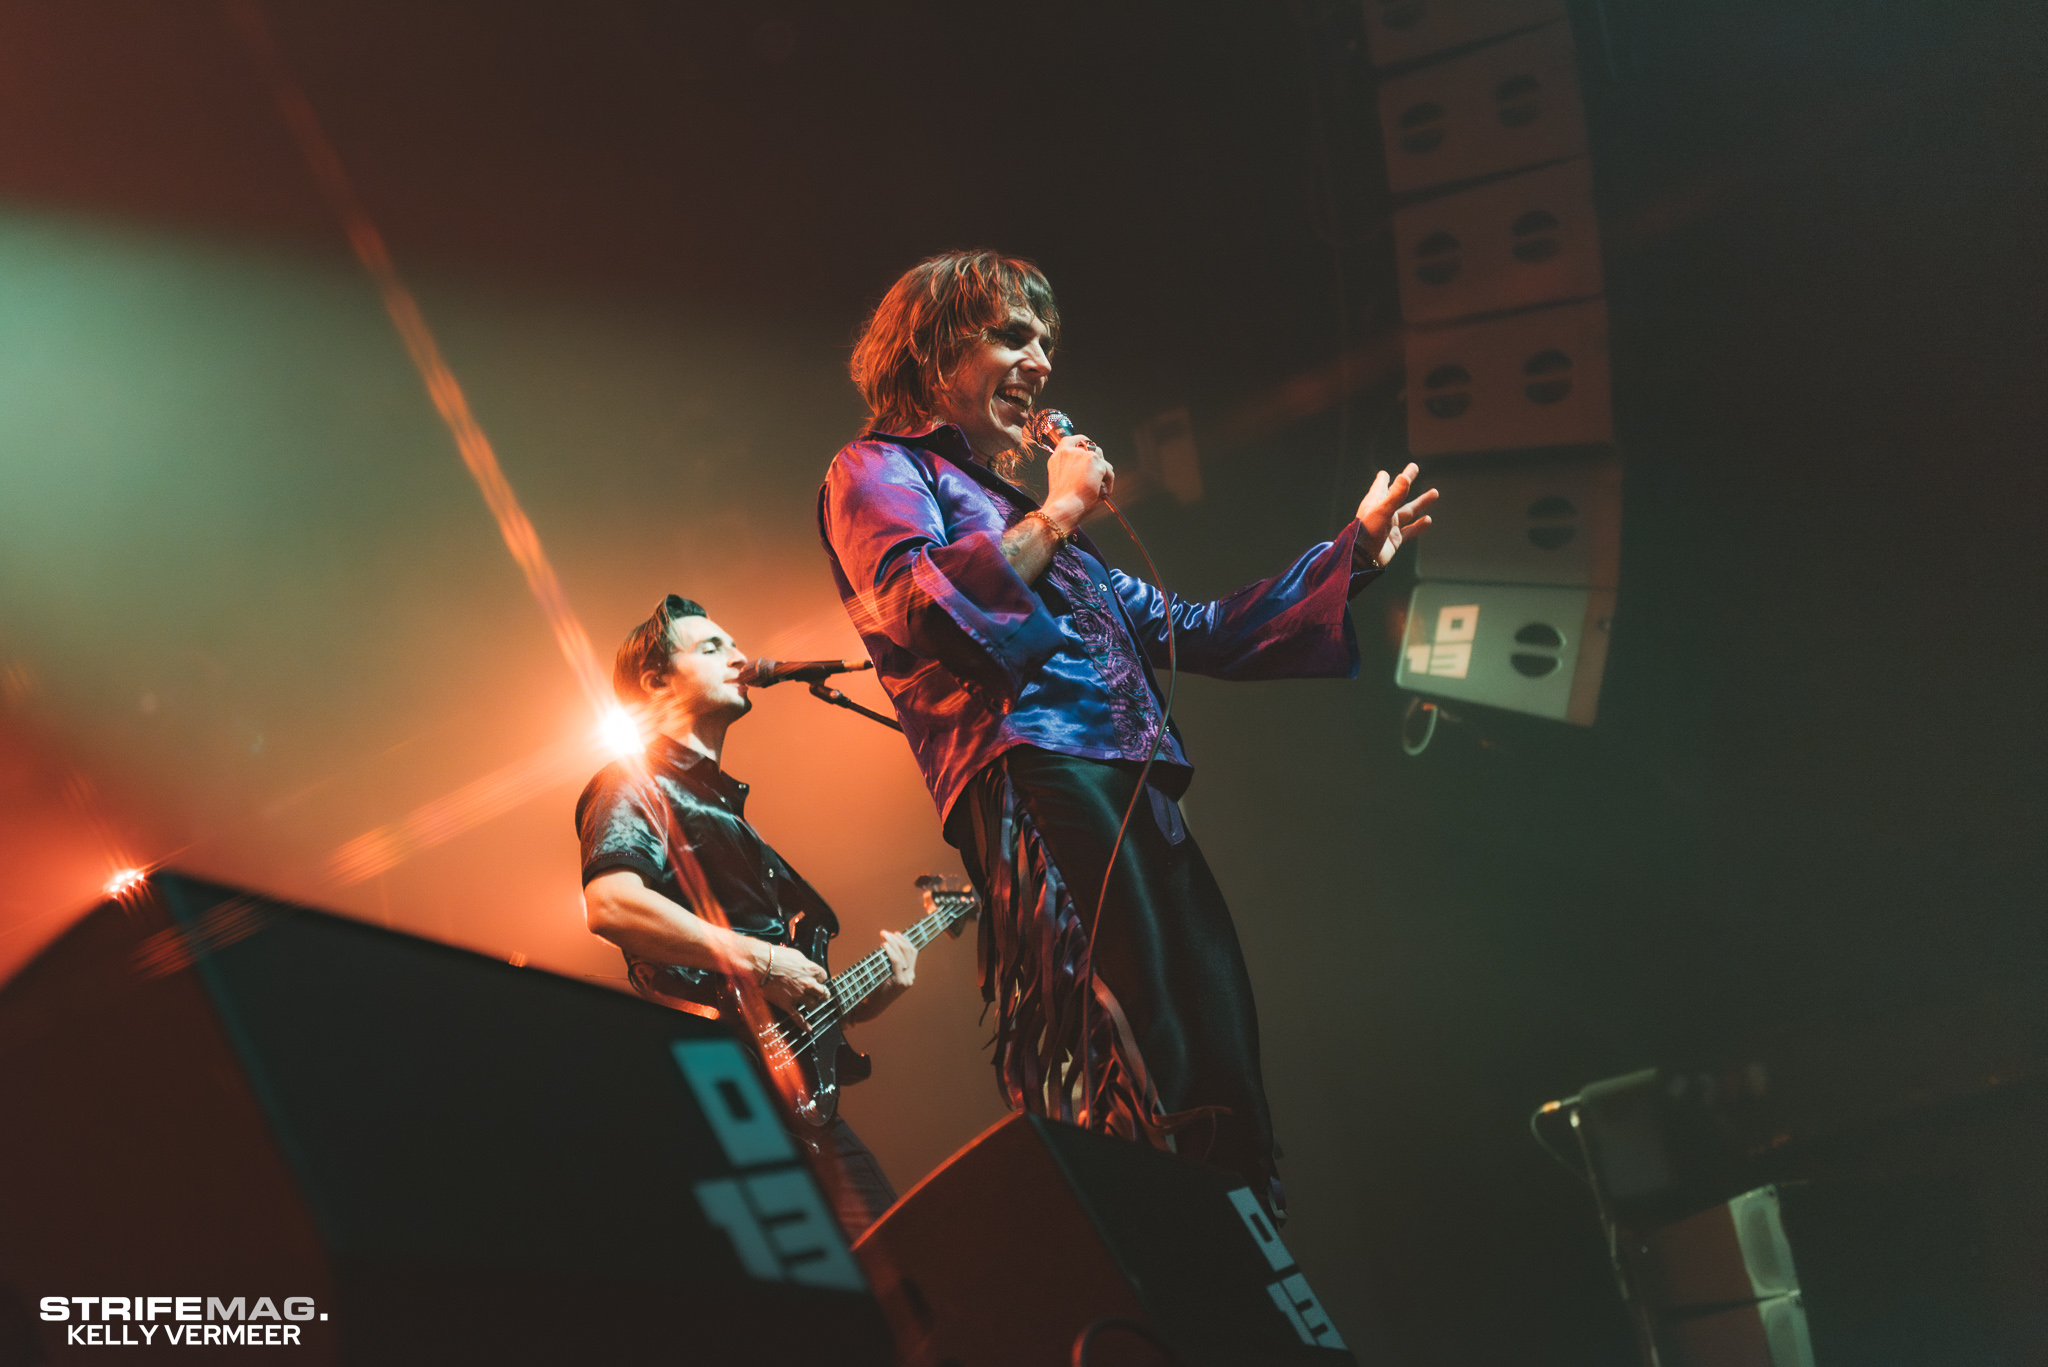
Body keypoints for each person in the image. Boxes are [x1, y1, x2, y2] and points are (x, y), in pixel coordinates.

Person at [817, 250, 1436, 1216]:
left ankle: (1241, 1242)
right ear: (936, 348)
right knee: (1137, 1039)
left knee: (1216, 1035)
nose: (1041, 362)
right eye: (1013, 336)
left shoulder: (1033, 517)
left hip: (1133, 782)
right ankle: (1169, 1246)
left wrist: (1349, 558)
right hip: (1035, 770)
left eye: (1047, 343)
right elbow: (929, 606)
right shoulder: (878, 470)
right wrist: (1062, 508)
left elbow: (1195, 628)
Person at [576, 593, 917, 1236]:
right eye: (711, 648)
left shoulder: (733, 819)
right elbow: (612, 903)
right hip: (717, 1086)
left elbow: (787, 994)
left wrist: (863, 996)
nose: (739, 656)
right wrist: (762, 958)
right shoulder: (633, 783)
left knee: (904, 1267)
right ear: (655, 682)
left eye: (734, 643)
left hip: (792, 1098)